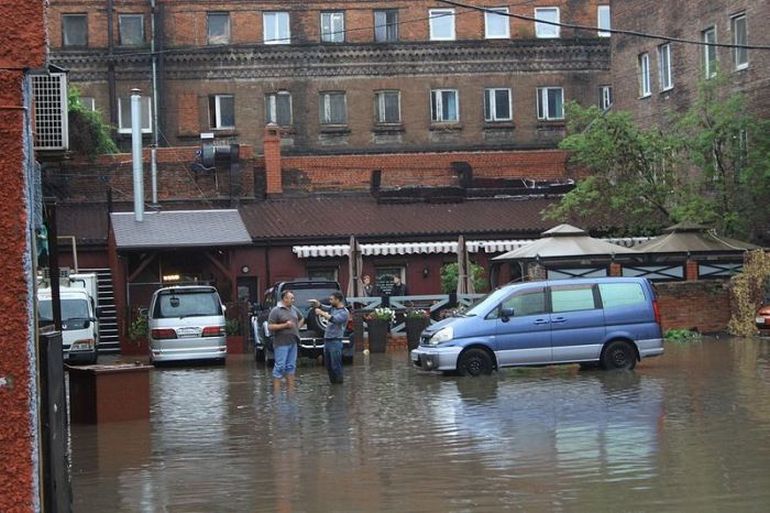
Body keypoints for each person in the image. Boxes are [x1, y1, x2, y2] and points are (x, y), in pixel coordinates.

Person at [310, 292, 350, 384]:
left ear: (338, 300)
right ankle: (333, 385)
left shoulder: (344, 312)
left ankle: (339, 385)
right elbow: (325, 307)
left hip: (336, 341)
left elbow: (334, 319)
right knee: (328, 365)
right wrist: (318, 304)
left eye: (332, 299)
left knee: (336, 365)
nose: (330, 301)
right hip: (327, 340)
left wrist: (321, 313)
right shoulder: (333, 308)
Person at [267, 290, 303, 393]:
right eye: (290, 298)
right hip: (281, 342)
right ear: (284, 299)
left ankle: (290, 392)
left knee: (291, 366)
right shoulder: (276, 310)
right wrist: (285, 325)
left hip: (293, 341)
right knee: (280, 366)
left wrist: (297, 327)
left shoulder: (294, 309)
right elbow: (270, 326)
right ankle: (277, 393)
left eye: (293, 298)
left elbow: (301, 318)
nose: (292, 300)